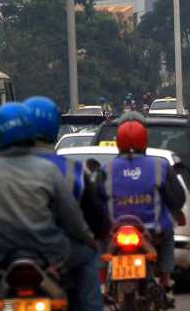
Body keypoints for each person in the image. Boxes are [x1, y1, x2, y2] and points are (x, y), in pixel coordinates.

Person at [0, 102, 93, 311]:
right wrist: (89, 240)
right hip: (49, 253)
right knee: (87, 257)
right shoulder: (49, 170)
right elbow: (71, 218)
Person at [23, 96, 110, 311]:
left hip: (8, 249)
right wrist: (95, 237)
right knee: (88, 258)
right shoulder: (72, 170)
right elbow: (92, 216)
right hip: (60, 251)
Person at [101, 118, 185, 298]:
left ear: (118, 143)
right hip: (154, 232)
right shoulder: (159, 166)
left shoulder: (106, 168)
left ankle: (102, 283)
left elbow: (96, 200)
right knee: (168, 235)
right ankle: (165, 279)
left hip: (114, 233)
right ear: (145, 142)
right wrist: (173, 213)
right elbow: (178, 198)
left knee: (99, 244)